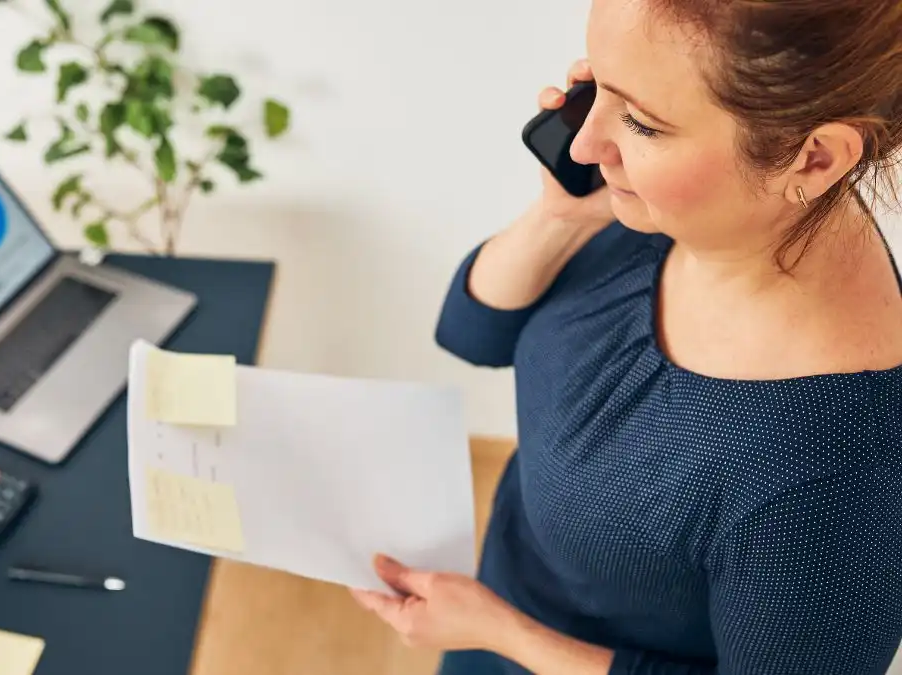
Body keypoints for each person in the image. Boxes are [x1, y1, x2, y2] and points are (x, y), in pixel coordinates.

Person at [348, 1, 902, 673]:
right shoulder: (674, 207)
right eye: (596, 85)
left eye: (641, 120)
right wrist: (558, 218)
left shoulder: (836, 472)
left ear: (814, 158)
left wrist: (503, 631)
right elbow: (472, 333)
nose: (584, 144)